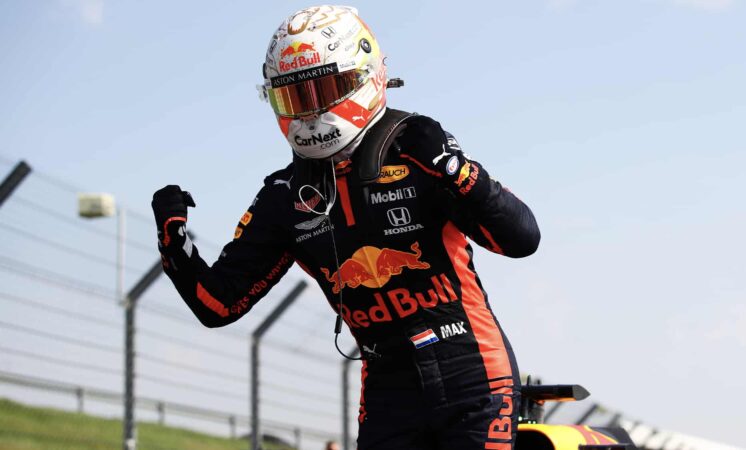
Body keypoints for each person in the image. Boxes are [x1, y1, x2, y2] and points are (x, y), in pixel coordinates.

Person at [151, 5, 540, 450]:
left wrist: (459, 172)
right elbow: (217, 305)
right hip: (389, 391)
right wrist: (173, 241)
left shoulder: (419, 145)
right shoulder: (282, 197)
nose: (312, 111)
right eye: (297, 98)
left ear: (366, 76)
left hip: (473, 375)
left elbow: (522, 239)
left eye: (325, 89)